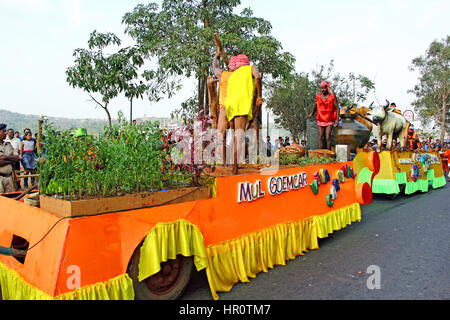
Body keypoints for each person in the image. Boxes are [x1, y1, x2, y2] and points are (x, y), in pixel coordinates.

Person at [213, 52, 263, 174]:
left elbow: (215, 68)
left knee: (233, 137)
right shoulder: (250, 68)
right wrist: (259, 95)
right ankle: (234, 168)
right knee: (239, 137)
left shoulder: (232, 75)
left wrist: (216, 56)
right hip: (240, 105)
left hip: (229, 105)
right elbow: (257, 77)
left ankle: (230, 165)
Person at [308, 81, 340, 150]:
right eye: (321, 88)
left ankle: (328, 153)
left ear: (327, 88)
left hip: (329, 118)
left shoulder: (332, 96)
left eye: (324, 88)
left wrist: (337, 119)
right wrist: (311, 113)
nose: (322, 90)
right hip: (320, 118)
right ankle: (321, 153)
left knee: (328, 137)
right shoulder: (318, 96)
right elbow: (316, 105)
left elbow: (337, 108)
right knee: (320, 137)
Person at [0, 124, 20, 193]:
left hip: (9, 178)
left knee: (9, 198)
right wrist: (10, 161)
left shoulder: (8, 144)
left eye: (6, 131)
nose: (6, 133)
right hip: (0, 178)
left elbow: (17, 157)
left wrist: (4, 157)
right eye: (3, 131)